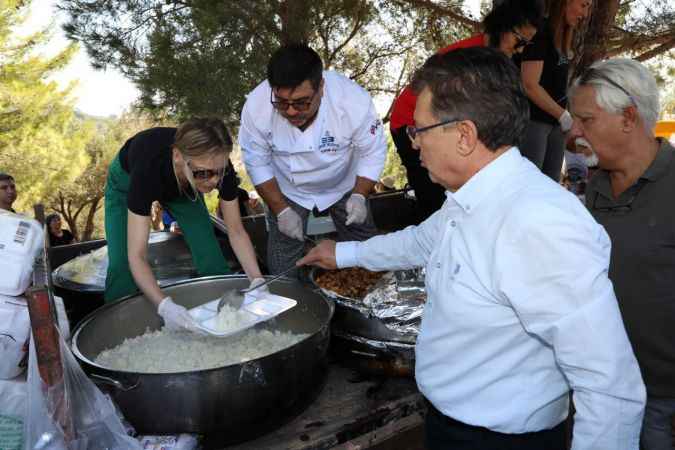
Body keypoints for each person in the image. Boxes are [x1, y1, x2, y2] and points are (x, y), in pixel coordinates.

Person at [298, 47, 645, 450]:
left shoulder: (538, 223)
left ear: (463, 135)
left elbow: (610, 388)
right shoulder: (470, 200)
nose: (413, 145)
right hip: (451, 425)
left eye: (419, 130)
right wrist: (340, 255)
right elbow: (419, 241)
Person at [568, 58, 675, 450]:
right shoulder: (591, 190)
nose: (575, 132)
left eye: (586, 120)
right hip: (596, 387)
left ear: (628, 118)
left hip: (660, 402)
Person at [104, 118, 266, 333]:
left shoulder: (216, 168)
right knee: (122, 263)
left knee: (207, 247)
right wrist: (165, 306)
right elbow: (138, 255)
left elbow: (235, 231)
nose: (212, 182)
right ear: (178, 155)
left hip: (184, 184)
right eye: (204, 173)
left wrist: (257, 281)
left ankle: (224, 315)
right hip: (125, 183)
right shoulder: (146, 171)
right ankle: (119, 328)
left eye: (219, 172)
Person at [239, 43, 387, 276]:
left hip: (344, 184)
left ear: (321, 88)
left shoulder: (352, 101)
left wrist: (359, 195)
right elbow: (257, 162)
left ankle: (373, 293)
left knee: (363, 241)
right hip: (289, 188)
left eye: (301, 102)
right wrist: (281, 211)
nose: (290, 111)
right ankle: (290, 303)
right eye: (281, 102)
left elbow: (373, 152)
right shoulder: (256, 107)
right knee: (284, 256)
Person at [389, 0, 542, 223]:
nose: (520, 50)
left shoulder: (491, 57)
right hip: (411, 123)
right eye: (519, 41)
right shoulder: (471, 55)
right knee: (434, 201)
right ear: (503, 26)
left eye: (526, 45)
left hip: (439, 122)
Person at [520, 0, 591, 181]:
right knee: (530, 184)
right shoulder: (541, 33)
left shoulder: (564, 37)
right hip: (534, 122)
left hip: (556, 126)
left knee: (551, 184)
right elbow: (529, 84)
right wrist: (563, 116)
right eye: (583, 5)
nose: (585, 14)